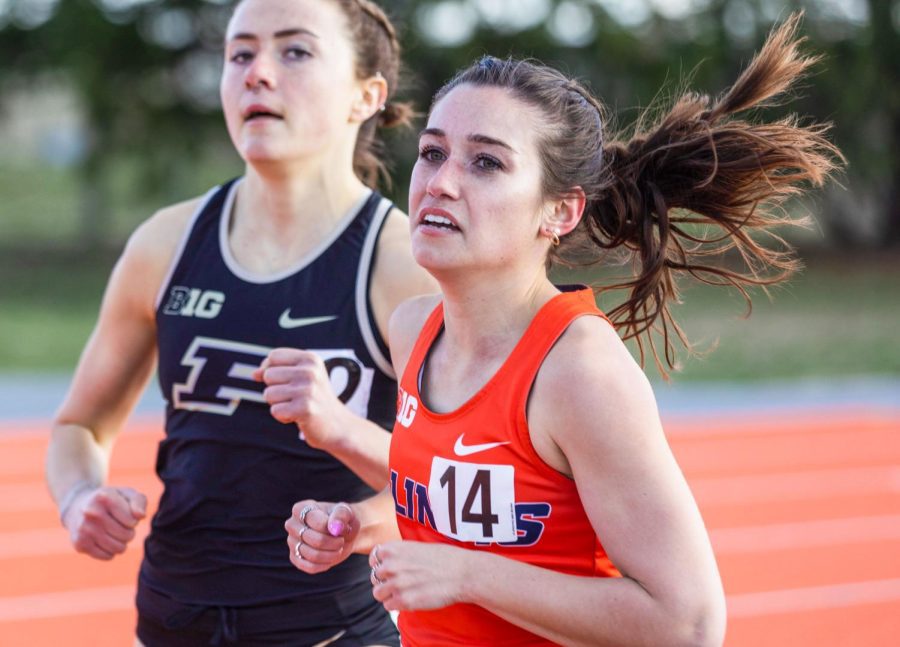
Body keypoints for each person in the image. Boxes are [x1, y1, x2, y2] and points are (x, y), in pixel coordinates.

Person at [283, 14, 842, 646]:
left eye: (486, 163)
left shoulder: (578, 371)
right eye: (433, 152)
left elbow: (687, 625)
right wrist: (357, 525)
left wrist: (468, 575)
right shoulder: (413, 328)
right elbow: (456, 511)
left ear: (560, 211)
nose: (439, 183)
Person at [44, 0, 436, 644]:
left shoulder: (404, 268)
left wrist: (349, 495)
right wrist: (79, 498)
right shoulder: (165, 244)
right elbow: (79, 424)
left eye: (295, 51)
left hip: (329, 632)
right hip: (169, 622)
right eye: (240, 53)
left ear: (366, 95)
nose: (257, 73)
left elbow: (452, 488)